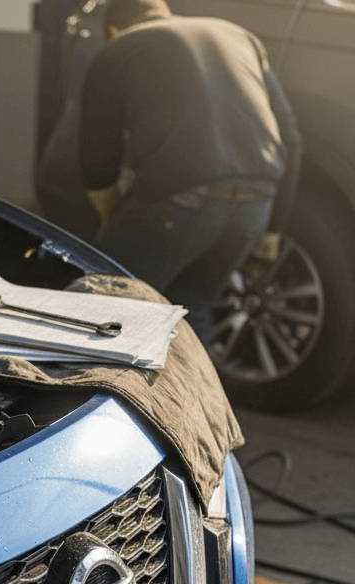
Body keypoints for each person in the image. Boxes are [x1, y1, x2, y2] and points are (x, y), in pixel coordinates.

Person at [78, 0, 302, 345]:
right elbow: (289, 137)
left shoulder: (121, 47)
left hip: (180, 203)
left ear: (111, 30)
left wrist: (117, 222)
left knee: (101, 310)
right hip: (256, 206)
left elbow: (96, 163)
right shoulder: (239, 36)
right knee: (193, 311)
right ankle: (200, 400)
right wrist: (275, 228)